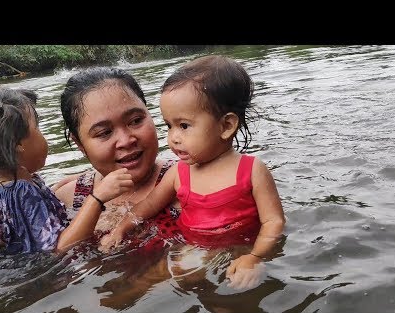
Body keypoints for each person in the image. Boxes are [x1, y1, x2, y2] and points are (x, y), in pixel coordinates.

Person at [101, 55, 286, 282]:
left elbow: (273, 222)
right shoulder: (178, 173)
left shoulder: (252, 170)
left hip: (243, 249)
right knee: (151, 279)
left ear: (226, 125)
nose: (173, 138)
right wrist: (120, 228)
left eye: (184, 126)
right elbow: (147, 206)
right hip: (193, 250)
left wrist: (255, 256)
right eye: (169, 125)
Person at [0, 86, 133, 255]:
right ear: (17, 144)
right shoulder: (20, 191)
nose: (44, 138)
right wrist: (97, 198)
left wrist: (85, 179)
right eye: (37, 128)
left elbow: (35, 215)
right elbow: (60, 248)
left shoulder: (7, 186)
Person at [53, 66, 182, 252]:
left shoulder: (189, 180)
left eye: (136, 120)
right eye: (104, 132)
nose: (126, 141)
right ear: (80, 144)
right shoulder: (68, 198)